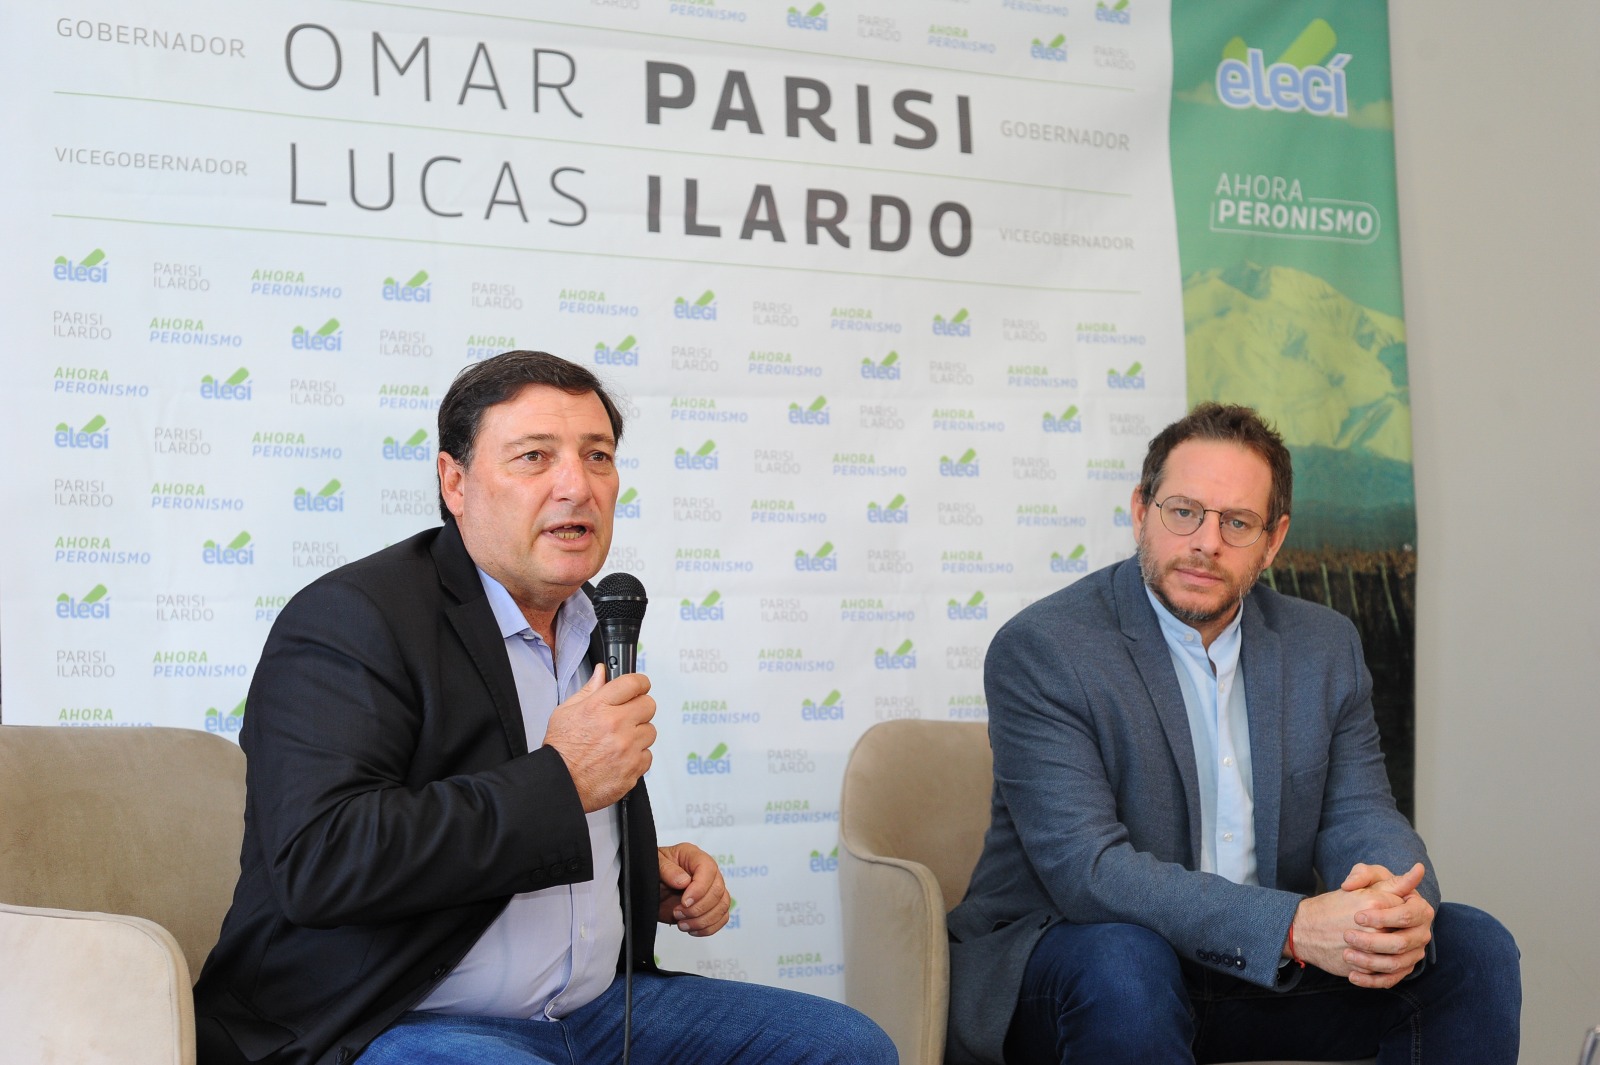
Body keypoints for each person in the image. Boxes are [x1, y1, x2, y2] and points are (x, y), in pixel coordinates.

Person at [193, 350, 897, 1065]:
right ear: (455, 482)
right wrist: (561, 780)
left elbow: (535, 826)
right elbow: (322, 860)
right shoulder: (352, 617)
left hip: (592, 1010)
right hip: (394, 1015)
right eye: (535, 457)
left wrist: (642, 876)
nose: (577, 486)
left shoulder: (596, 621)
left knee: (847, 1048)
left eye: (598, 456)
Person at [945, 403, 1519, 1065]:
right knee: (1126, 961)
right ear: (1140, 511)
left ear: (1273, 540)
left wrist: (1394, 905)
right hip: (1081, 966)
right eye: (1183, 511)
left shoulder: (1323, 646)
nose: (1206, 542)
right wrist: (1292, 926)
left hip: (1258, 968)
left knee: (1472, 947)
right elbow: (1088, 871)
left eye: (1237, 522)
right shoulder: (1045, 648)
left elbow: (1360, 812)